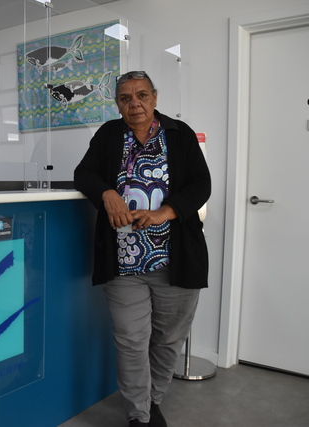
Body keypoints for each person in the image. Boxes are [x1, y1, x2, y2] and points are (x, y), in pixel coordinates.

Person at [73, 71, 210, 427]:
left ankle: (153, 400)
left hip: (176, 260)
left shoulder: (179, 134)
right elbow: (83, 174)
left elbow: (202, 184)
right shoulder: (109, 135)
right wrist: (106, 193)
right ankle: (139, 415)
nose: (134, 104)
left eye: (142, 95)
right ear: (118, 104)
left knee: (167, 340)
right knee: (131, 341)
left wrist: (165, 212)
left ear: (155, 97)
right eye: (125, 98)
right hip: (123, 262)